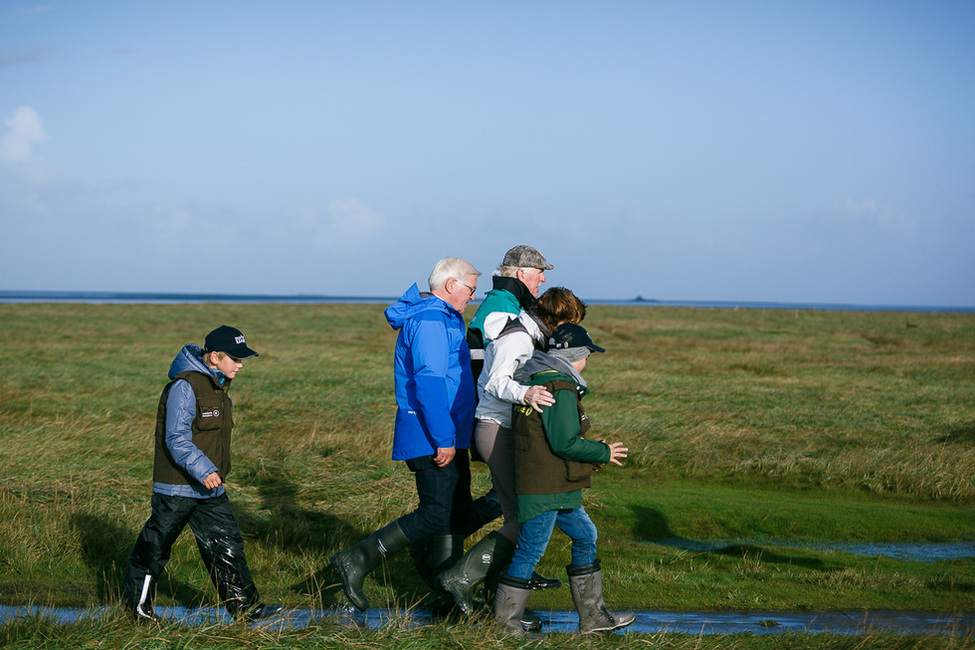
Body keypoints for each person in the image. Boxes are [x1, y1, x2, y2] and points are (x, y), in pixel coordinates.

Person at [330, 257, 480, 611]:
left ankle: (446, 592)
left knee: (447, 512)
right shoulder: (430, 320)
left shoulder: (443, 317)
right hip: (432, 433)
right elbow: (429, 383)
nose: (473, 297)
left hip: (445, 431)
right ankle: (356, 559)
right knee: (433, 514)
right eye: (471, 289)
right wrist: (444, 438)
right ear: (450, 285)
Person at [437, 288, 587, 614]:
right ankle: (461, 580)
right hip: (497, 430)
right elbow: (494, 383)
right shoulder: (516, 339)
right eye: (567, 324)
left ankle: (497, 601)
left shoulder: (529, 337)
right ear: (554, 319)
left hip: (507, 430)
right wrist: (527, 393)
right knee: (522, 518)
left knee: (520, 517)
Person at [122, 325, 281, 622]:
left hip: (210, 488)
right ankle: (136, 611)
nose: (241, 364)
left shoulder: (220, 387)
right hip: (177, 488)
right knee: (154, 548)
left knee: (228, 545)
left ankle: (247, 610)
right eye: (235, 358)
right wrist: (205, 469)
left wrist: (213, 475)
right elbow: (176, 438)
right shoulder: (184, 386)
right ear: (214, 357)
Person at [494, 323, 634, 634]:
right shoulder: (561, 387)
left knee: (586, 535)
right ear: (577, 356)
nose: (588, 362)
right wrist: (602, 451)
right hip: (547, 487)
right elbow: (564, 443)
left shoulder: (537, 380)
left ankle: (594, 618)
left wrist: (589, 458)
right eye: (588, 356)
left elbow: (551, 443)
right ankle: (505, 625)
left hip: (554, 483)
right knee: (530, 550)